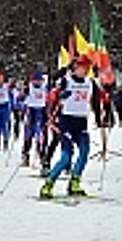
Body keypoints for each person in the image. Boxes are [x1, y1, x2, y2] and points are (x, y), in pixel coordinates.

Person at [39, 55, 100, 199]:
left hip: (81, 122)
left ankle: (74, 182)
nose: (84, 71)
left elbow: (96, 102)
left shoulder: (90, 83)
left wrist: (100, 119)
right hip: (66, 122)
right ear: (75, 67)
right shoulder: (66, 80)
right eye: (82, 68)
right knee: (66, 157)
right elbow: (52, 97)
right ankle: (48, 184)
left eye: (86, 68)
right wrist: (60, 96)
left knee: (84, 153)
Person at [21, 70, 48, 167]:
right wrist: (23, 95)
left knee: (40, 135)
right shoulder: (29, 87)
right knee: (29, 134)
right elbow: (21, 98)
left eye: (39, 80)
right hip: (31, 112)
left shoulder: (45, 87)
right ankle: (25, 154)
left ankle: (42, 156)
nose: (37, 82)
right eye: (35, 80)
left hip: (41, 112)